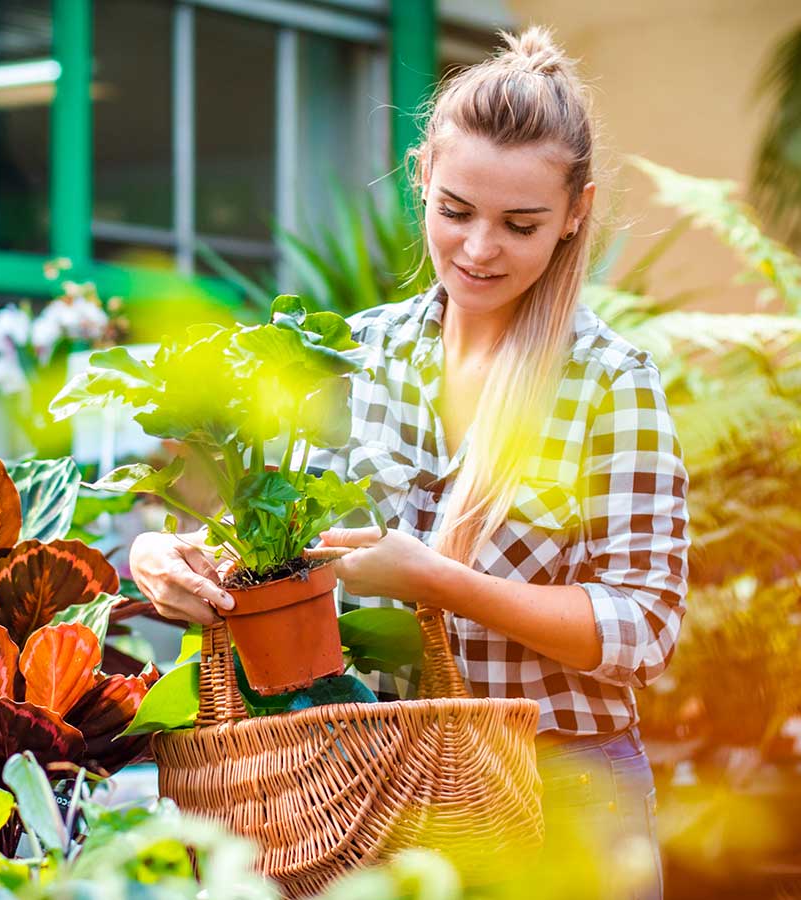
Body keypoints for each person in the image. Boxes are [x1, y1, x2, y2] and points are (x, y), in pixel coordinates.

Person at [129, 26, 686, 900]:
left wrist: (436, 580)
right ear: (420, 175)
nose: (479, 249)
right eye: (456, 210)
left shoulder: (610, 383)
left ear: (576, 212)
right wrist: (168, 558)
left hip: (566, 790)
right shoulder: (354, 355)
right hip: (372, 788)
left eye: (521, 224)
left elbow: (643, 628)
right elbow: (274, 542)